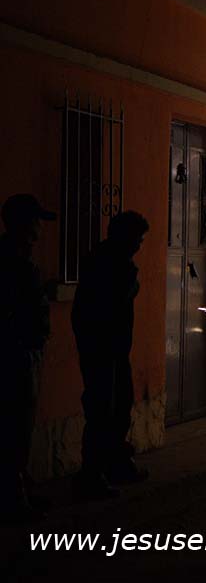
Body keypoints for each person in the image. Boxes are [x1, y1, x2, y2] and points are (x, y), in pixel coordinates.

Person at [72, 210, 149, 499]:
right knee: (102, 410)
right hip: (102, 349)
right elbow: (108, 304)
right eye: (137, 239)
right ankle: (92, 474)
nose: (139, 245)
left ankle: (115, 464)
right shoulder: (107, 265)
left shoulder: (114, 262)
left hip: (114, 348)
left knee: (119, 407)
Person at [0, 194, 55, 522]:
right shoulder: (12, 263)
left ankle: (18, 486)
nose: (40, 230)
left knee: (20, 424)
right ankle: (12, 495)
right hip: (15, 354)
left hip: (24, 351)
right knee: (15, 425)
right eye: (36, 222)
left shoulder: (18, 259)